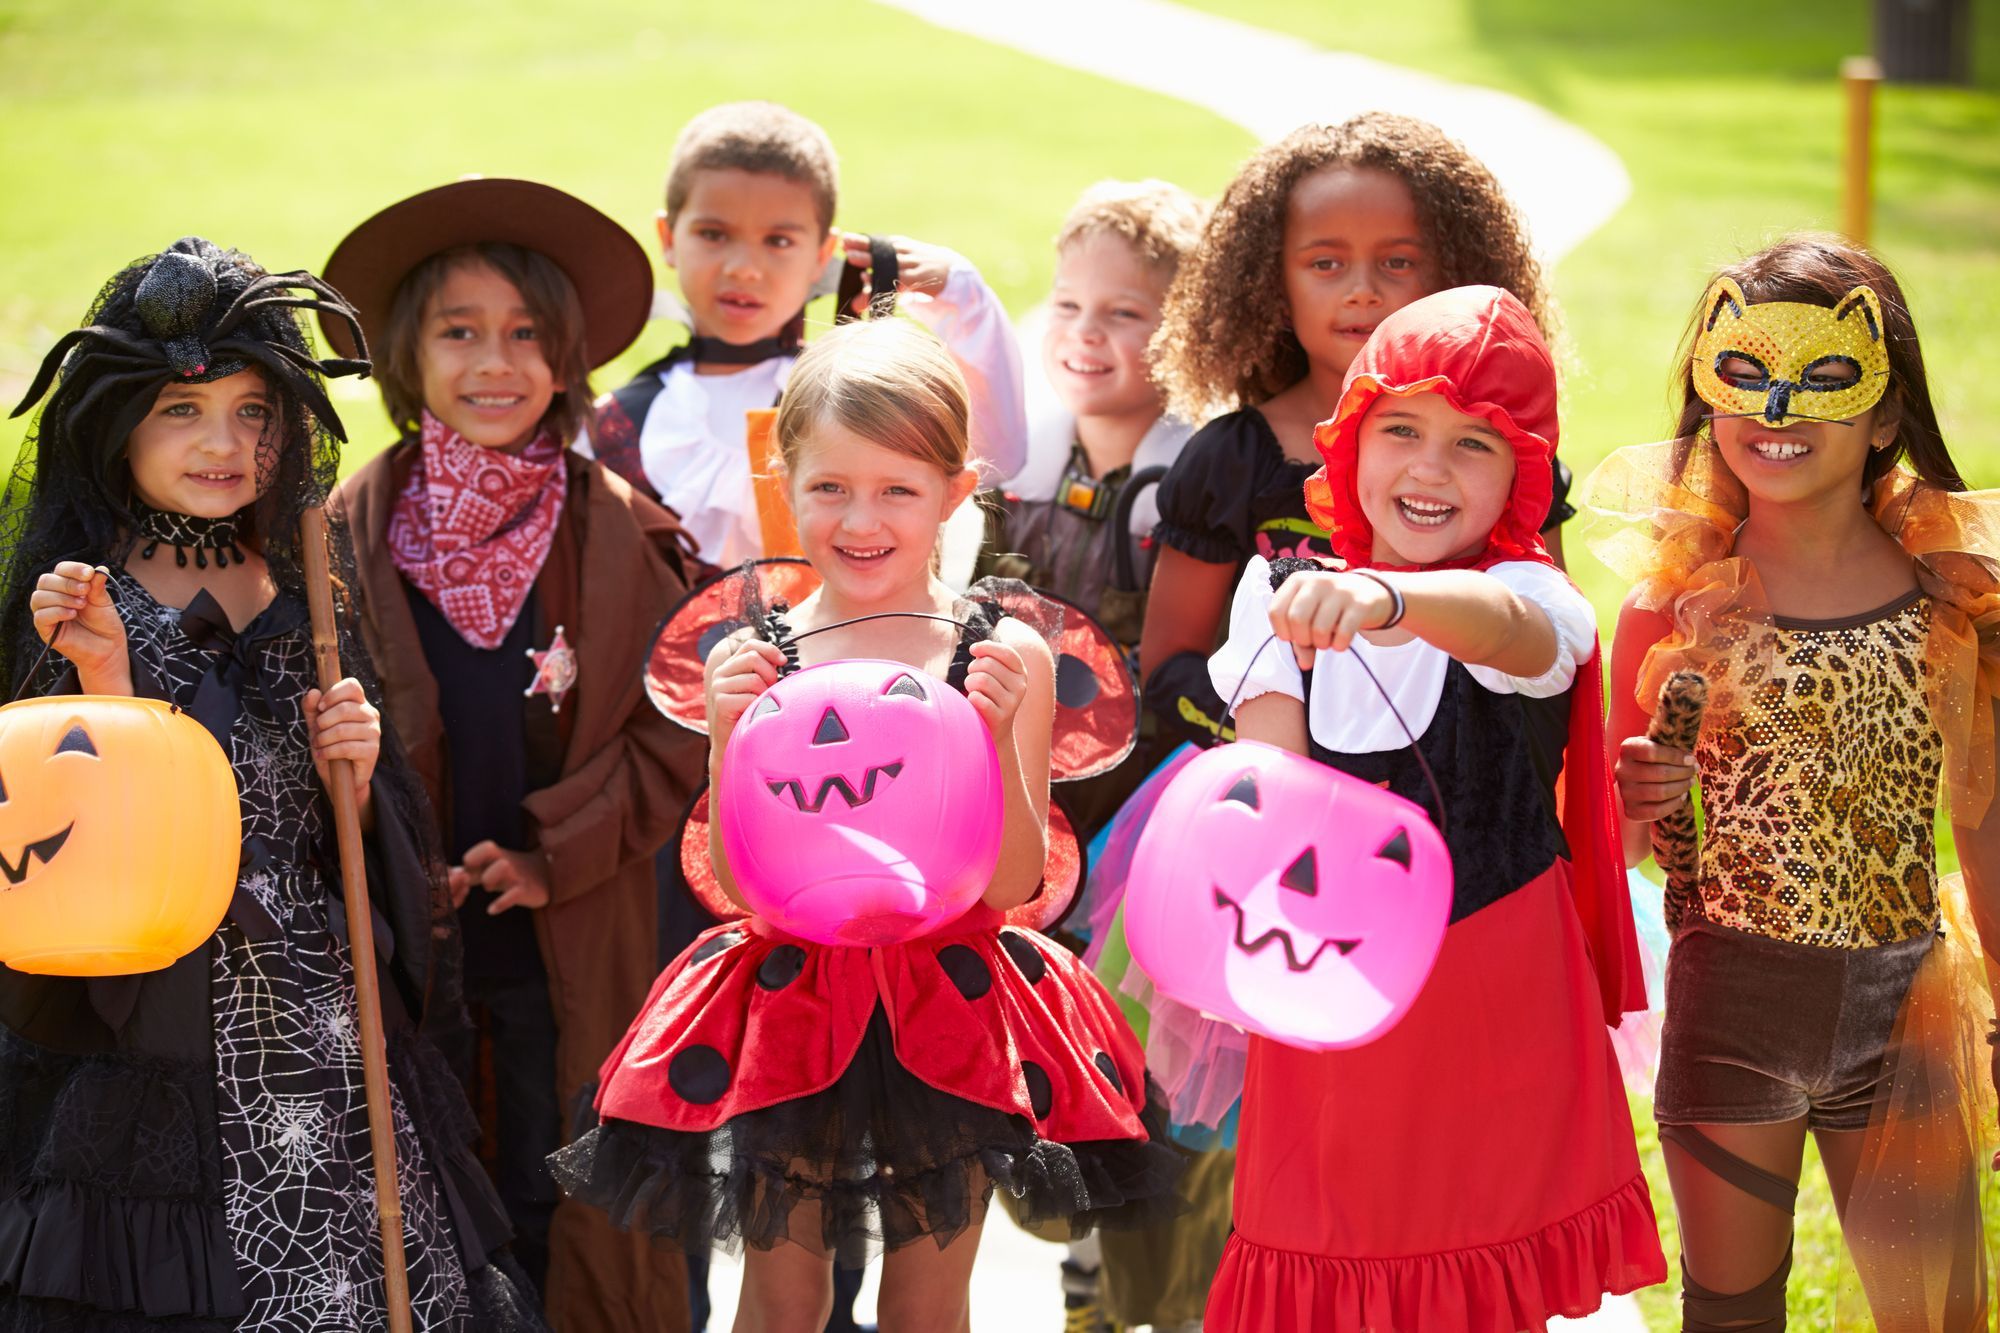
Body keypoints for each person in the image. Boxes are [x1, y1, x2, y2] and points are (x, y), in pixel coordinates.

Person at [552, 318, 1178, 1332]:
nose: (861, 516)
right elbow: (745, 885)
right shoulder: (765, 651)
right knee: (779, 1290)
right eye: (830, 486)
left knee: (929, 1296)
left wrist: (1000, 721)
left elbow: (1014, 883)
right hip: (797, 999)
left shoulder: (995, 647)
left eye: (897, 488)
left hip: (950, 1003)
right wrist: (723, 728)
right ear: (782, 475)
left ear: (955, 488)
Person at [0, 237, 541, 1329]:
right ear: (115, 426)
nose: (225, 444)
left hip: (323, 1007)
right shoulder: (79, 592)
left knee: (369, 1268)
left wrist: (357, 764)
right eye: (184, 412)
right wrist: (103, 673)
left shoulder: (302, 571)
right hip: (158, 1009)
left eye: (253, 413)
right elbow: (66, 830)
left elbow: (346, 829)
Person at [1202, 286, 1663, 1331]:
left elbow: (1505, 630)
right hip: (1335, 983)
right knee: (1332, 1252)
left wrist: (1385, 601)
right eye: (1398, 428)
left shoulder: (1535, 596)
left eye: (1473, 445)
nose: (1425, 467)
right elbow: (1270, 797)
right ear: (1350, 438)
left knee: (1480, 1277)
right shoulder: (1276, 587)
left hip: (1493, 988)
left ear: (1518, 479)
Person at [1595, 234, 1999, 1331]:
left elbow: (1984, 821)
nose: (1777, 409)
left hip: (1903, 1017)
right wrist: (1628, 801)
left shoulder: (1950, 600)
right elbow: (1609, 843)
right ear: (1706, 395)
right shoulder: (1674, 603)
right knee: (1729, 1308)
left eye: (1823, 379)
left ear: (1882, 414)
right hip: (1729, 1004)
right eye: (1746, 374)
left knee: (1940, 1311)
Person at [323, 179, 702, 1333]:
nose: (495, 362)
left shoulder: (621, 531)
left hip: (570, 929)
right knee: (438, 1198)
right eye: (459, 331)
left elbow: (678, 727)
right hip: (408, 943)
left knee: (571, 1187)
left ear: (565, 355)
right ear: (405, 353)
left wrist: (551, 854)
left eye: (525, 333)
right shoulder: (343, 531)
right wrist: (391, 854)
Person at [974, 177, 1218, 1333]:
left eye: (1125, 313)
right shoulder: (1014, 467)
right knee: (1033, 1065)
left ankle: (1134, 1289)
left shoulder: (1192, 481)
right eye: (1068, 302)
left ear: (1189, 335)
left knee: (1143, 1074)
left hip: (1141, 829)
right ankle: (1074, 1240)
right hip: (1024, 819)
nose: (1085, 333)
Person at [1138, 112, 1573, 756]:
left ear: (1456, 272)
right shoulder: (1231, 460)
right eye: (1325, 263)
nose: (1364, 291)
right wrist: (1304, 735)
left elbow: (1551, 656)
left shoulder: (1509, 456)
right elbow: (1170, 667)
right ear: (1269, 282)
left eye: (1398, 261)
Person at [588, 99, 1027, 571]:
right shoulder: (615, 422)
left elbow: (997, 454)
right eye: (714, 234)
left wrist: (961, 293)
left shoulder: (855, 391)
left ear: (823, 253)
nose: (743, 269)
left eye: (778, 241)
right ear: (669, 237)